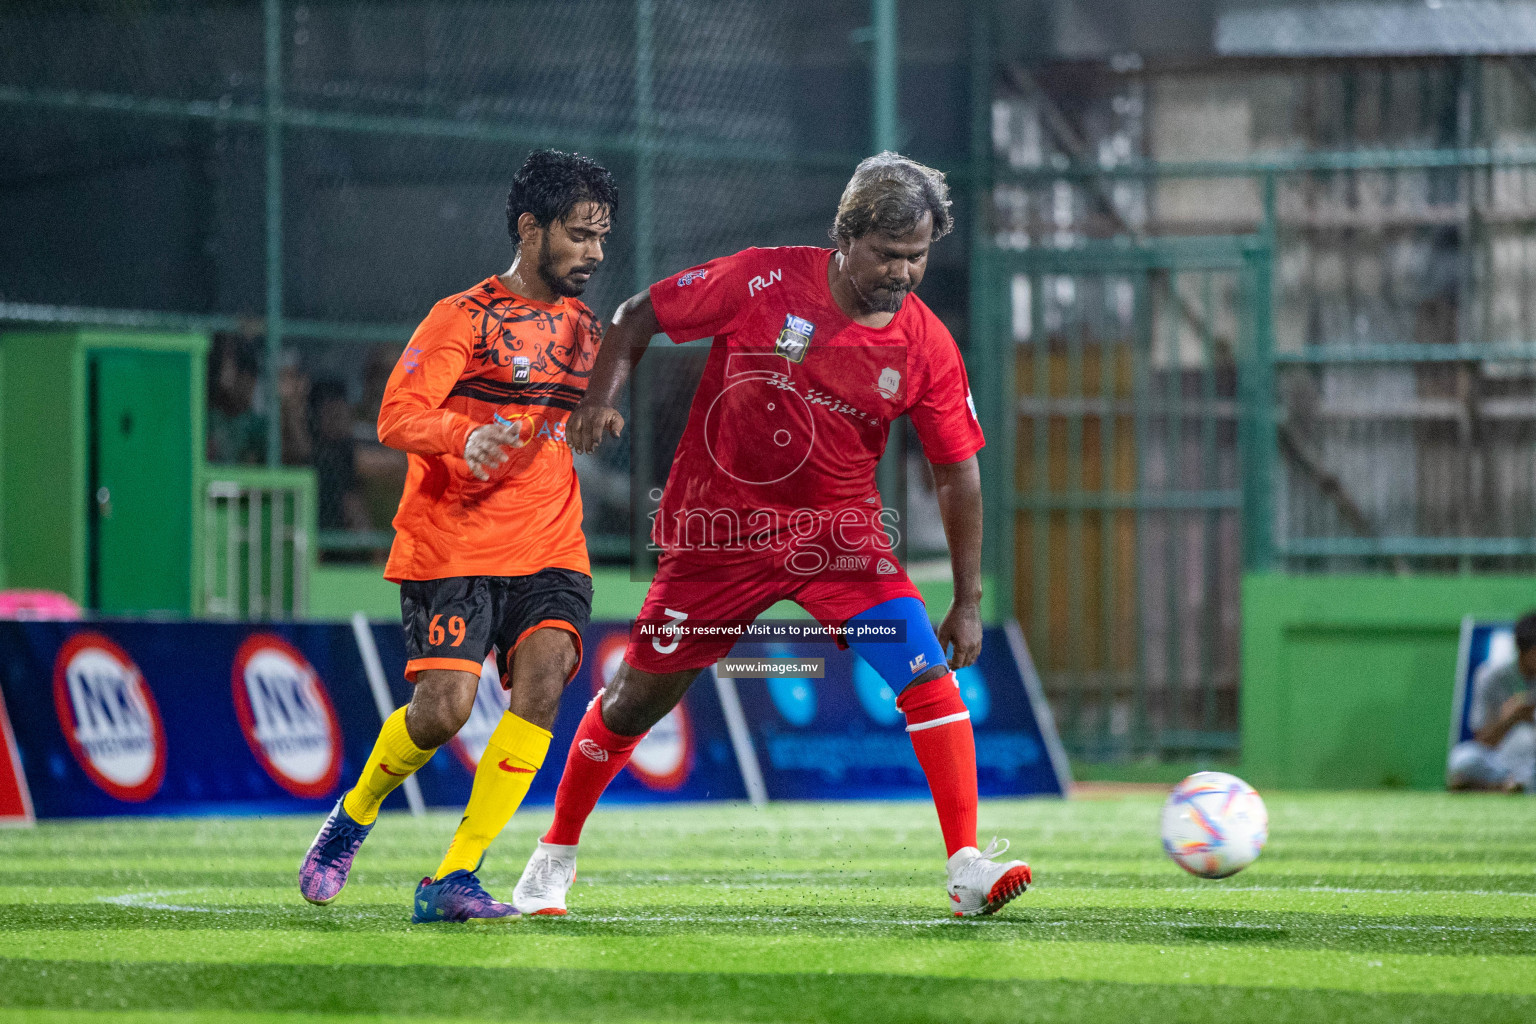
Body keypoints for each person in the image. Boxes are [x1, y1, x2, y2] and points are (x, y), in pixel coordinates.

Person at [512, 152, 1031, 919]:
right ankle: (553, 856)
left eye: (917, 256)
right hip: (717, 536)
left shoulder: (927, 346)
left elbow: (958, 473)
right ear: (846, 237)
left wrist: (967, 597)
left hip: (841, 543)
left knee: (926, 673)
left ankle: (964, 866)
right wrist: (597, 400)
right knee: (630, 705)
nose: (903, 272)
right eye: (888, 255)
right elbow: (634, 317)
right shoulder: (760, 279)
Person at [298, 149, 617, 922]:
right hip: (454, 541)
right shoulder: (462, 318)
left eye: (602, 238)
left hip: (548, 542)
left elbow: (578, 415)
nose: (595, 254)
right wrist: (460, 438)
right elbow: (395, 414)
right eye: (578, 235)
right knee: (442, 711)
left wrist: (598, 419)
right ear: (529, 229)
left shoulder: (586, 333)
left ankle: (454, 878)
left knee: (544, 683)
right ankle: (356, 812)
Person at [1448, 613, 1536, 793]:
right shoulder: (1490, 677)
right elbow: (1482, 739)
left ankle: (1496, 787)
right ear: (1523, 650)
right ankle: (1509, 785)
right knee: (1461, 759)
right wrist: (1511, 718)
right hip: (1500, 759)